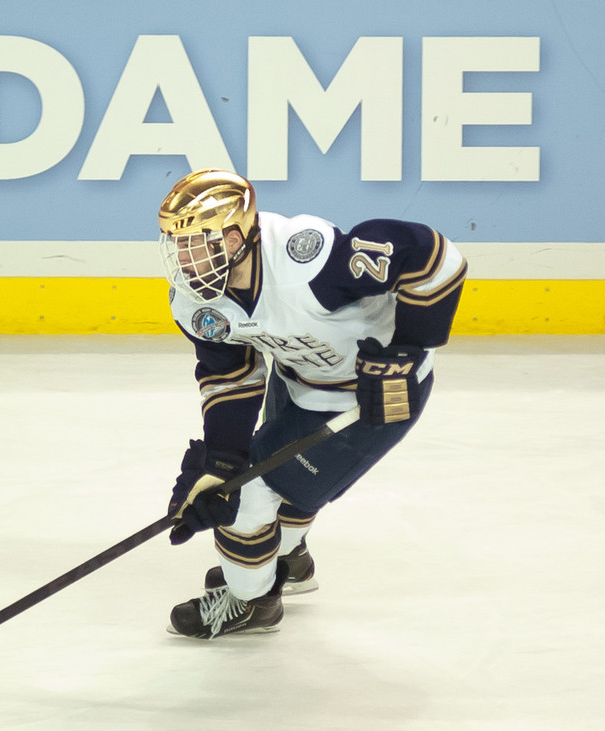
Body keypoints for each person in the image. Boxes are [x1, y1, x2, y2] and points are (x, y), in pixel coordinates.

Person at [158, 168, 467, 639]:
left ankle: (252, 601)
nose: (186, 260)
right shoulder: (197, 303)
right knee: (268, 480)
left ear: (239, 234)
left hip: (374, 400)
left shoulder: (307, 261)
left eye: (199, 243)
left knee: (251, 496)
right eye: (178, 246)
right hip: (301, 375)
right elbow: (230, 376)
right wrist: (221, 460)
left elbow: (437, 260)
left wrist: (407, 350)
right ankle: (288, 559)